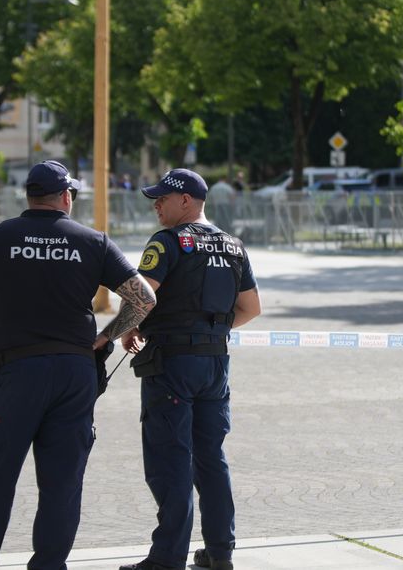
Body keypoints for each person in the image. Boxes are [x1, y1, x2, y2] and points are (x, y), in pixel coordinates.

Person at [0, 160, 156, 570]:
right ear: (66, 197)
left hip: (18, 373)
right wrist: (108, 336)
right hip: (75, 374)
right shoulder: (94, 241)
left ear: (29, 196)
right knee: (62, 483)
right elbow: (144, 298)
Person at [118, 168, 262, 570]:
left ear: (186, 201)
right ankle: (220, 553)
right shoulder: (234, 246)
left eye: (162, 198)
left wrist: (123, 330)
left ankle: (167, 558)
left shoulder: (167, 243)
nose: (156, 204)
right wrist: (207, 331)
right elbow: (251, 309)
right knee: (211, 458)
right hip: (215, 364)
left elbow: (141, 297)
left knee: (170, 459)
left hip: (172, 367)